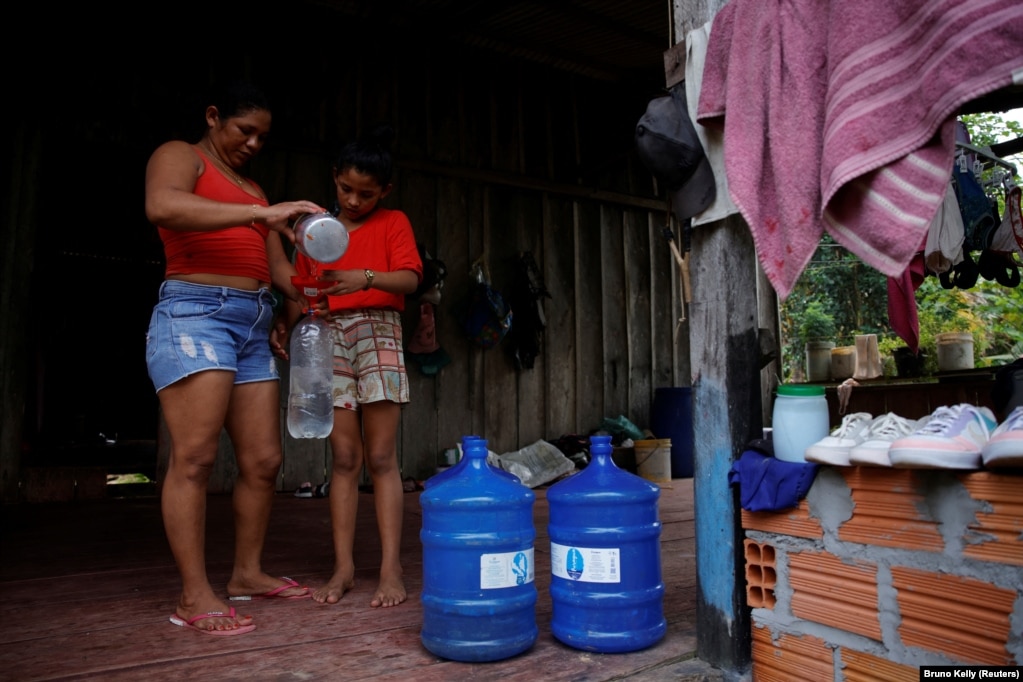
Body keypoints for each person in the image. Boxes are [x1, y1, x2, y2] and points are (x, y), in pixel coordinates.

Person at [144, 81, 327, 635]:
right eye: (244, 131)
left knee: (264, 460)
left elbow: (275, 273)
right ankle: (192, 593)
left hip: (250, 321)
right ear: (213, 116)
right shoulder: (183, 156)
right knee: (196, 458)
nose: (253, 144)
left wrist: (308, 284)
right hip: (196, 313)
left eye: (262, 137)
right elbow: (163, 205)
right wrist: (259, 210)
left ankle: (245, 574)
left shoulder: (252, 191)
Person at [290, 126, 422, 608]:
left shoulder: (393, 222)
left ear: (384, 191)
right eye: (346, 189)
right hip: (331, 337)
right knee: (344, 458)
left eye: (366, 193)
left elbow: (408, 279)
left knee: (382, 457)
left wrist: (362, 278)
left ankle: (391, 568)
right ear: (334, 179)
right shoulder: (318, 231)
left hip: (379, 333)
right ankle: (343, 567)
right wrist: (305, 316)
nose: (353, 199)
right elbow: (303, 289)